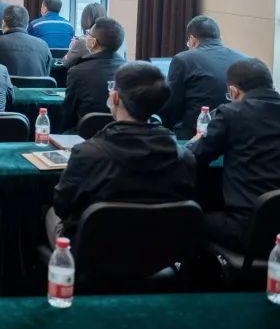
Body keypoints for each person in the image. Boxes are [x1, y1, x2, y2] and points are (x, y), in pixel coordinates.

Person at [49, 62, 196, 243]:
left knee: (49, 214)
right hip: (161, 249)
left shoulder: (88, 153)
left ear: (116, 97)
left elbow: (62, 206)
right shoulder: (184, 157)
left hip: (94, 249)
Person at [188, 59, 280, 250]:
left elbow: (195, 156)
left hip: (246, 229)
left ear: (233, 91)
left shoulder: (231, 113)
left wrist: (195, 141)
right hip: (275, 229)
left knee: (188, 217)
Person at [163, 15, 248, 139]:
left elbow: (170, 106)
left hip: (195, 136)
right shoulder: (245, 59)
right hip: (237, 136)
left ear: (192, 40)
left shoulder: (183, 59)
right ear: (220, 39)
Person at [64, 17, 127, 124]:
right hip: (122, 130)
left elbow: (68, 113)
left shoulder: (77, 72)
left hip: (87, 131)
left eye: (88, 34)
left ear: (93, 42)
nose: (86, 37)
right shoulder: (129, 70)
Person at [0, 5, 53, 77]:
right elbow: (46, 74)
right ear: (27, 25)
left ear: (4, 23)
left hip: (6, 84)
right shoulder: (43, 46)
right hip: (36, 84)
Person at [62, 2, 107, 68]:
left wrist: (72, 47)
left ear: (85, 19)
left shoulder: (82, 41)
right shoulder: (112, 41)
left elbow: (66, 62)